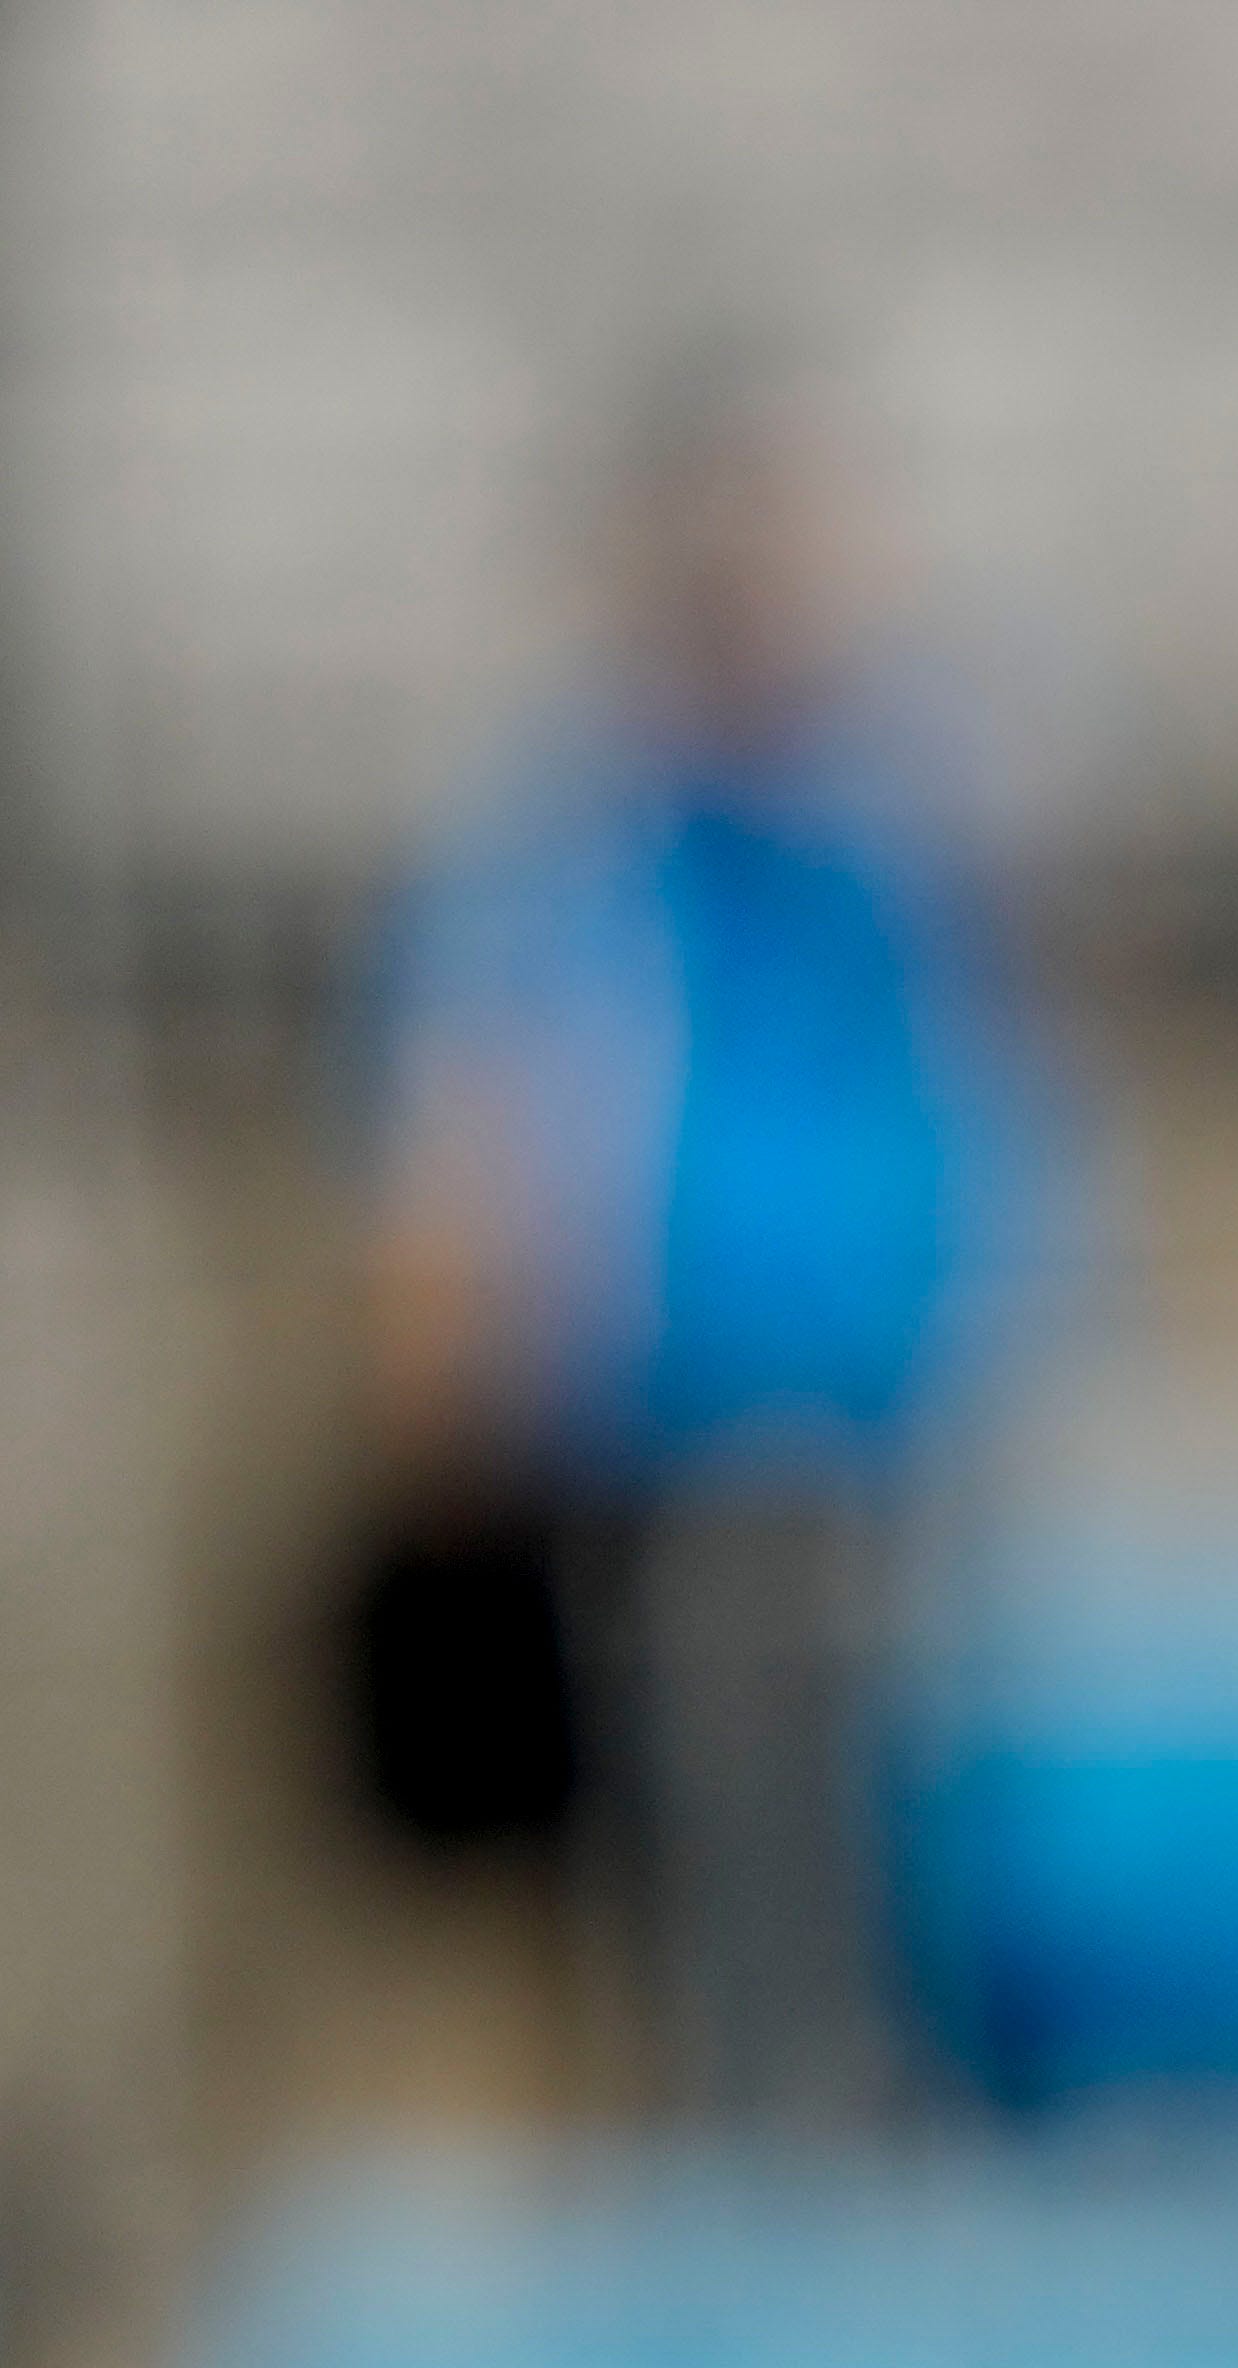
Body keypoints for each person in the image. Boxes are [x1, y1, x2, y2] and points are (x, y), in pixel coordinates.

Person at [354, 362, 1049, 2123]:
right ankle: (743, 2155)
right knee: (717, 1873)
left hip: (876, 1442)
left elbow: (986, 1105)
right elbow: (471, 1131)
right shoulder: (568, 848)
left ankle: (832, 2135)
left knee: (873, 1867)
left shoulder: (884, 825)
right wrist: (458, 1376)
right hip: (674, 1458)